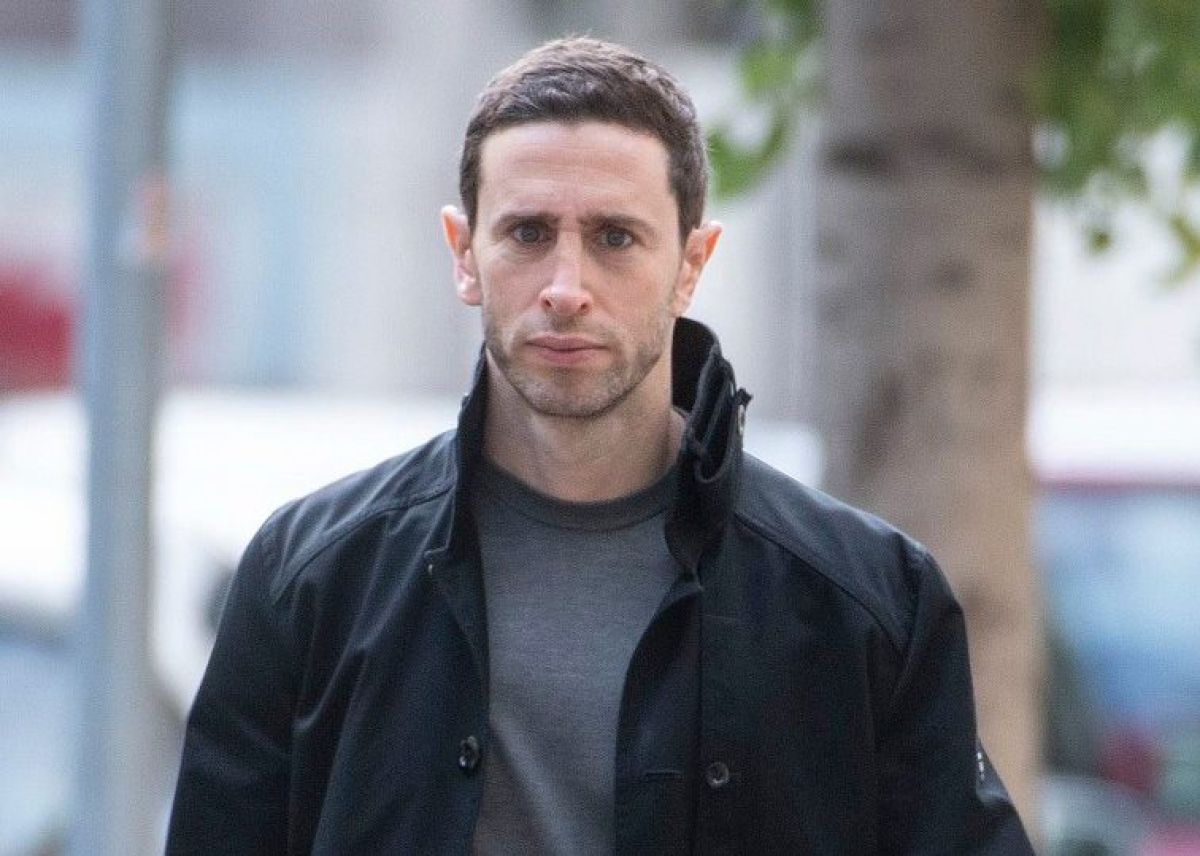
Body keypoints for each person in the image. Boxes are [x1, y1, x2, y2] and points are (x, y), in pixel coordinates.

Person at [166, 37, 1034, 854]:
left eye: (616, 238)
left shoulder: (867, 600)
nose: (566, 288)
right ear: (463, 253)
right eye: (528, 233)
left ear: (691, 264)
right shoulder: (311, 579)